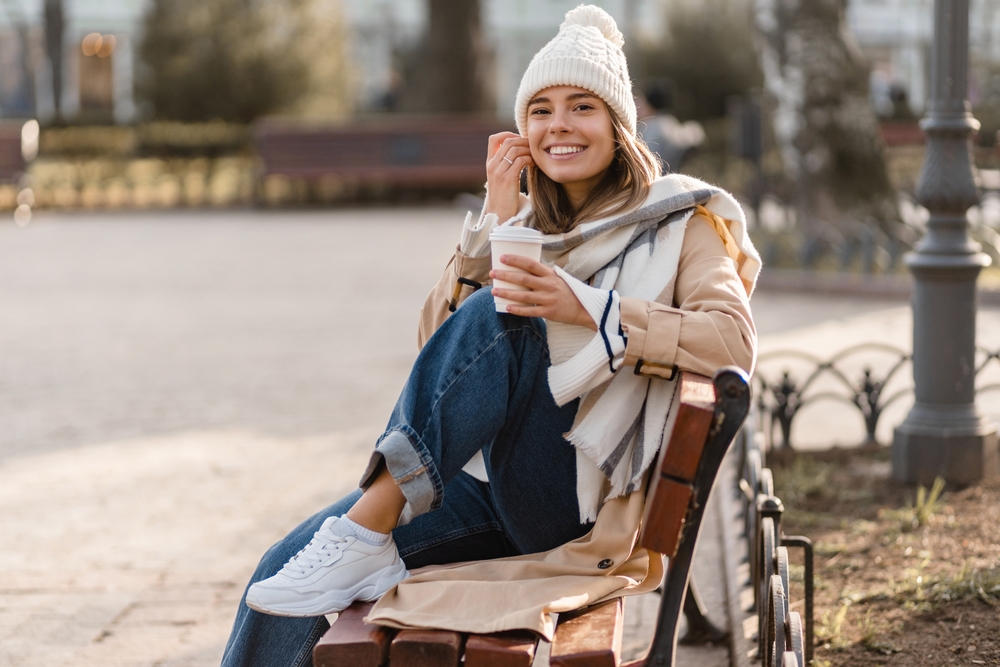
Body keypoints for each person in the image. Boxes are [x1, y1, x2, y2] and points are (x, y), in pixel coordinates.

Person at [221, 6, 759, 666]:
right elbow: (440, 357)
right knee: (283, 571)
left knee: (511, 308)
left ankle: (369, 522)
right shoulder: (525, 222)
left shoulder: (682, 222)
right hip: (482, 483)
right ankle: (363, 530)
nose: (559, 124)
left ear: (618, 127)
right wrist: (490, 228)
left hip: (575, 499)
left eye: (582, 106)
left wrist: (594, 309)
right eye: (541, 109)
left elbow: (733, 343)